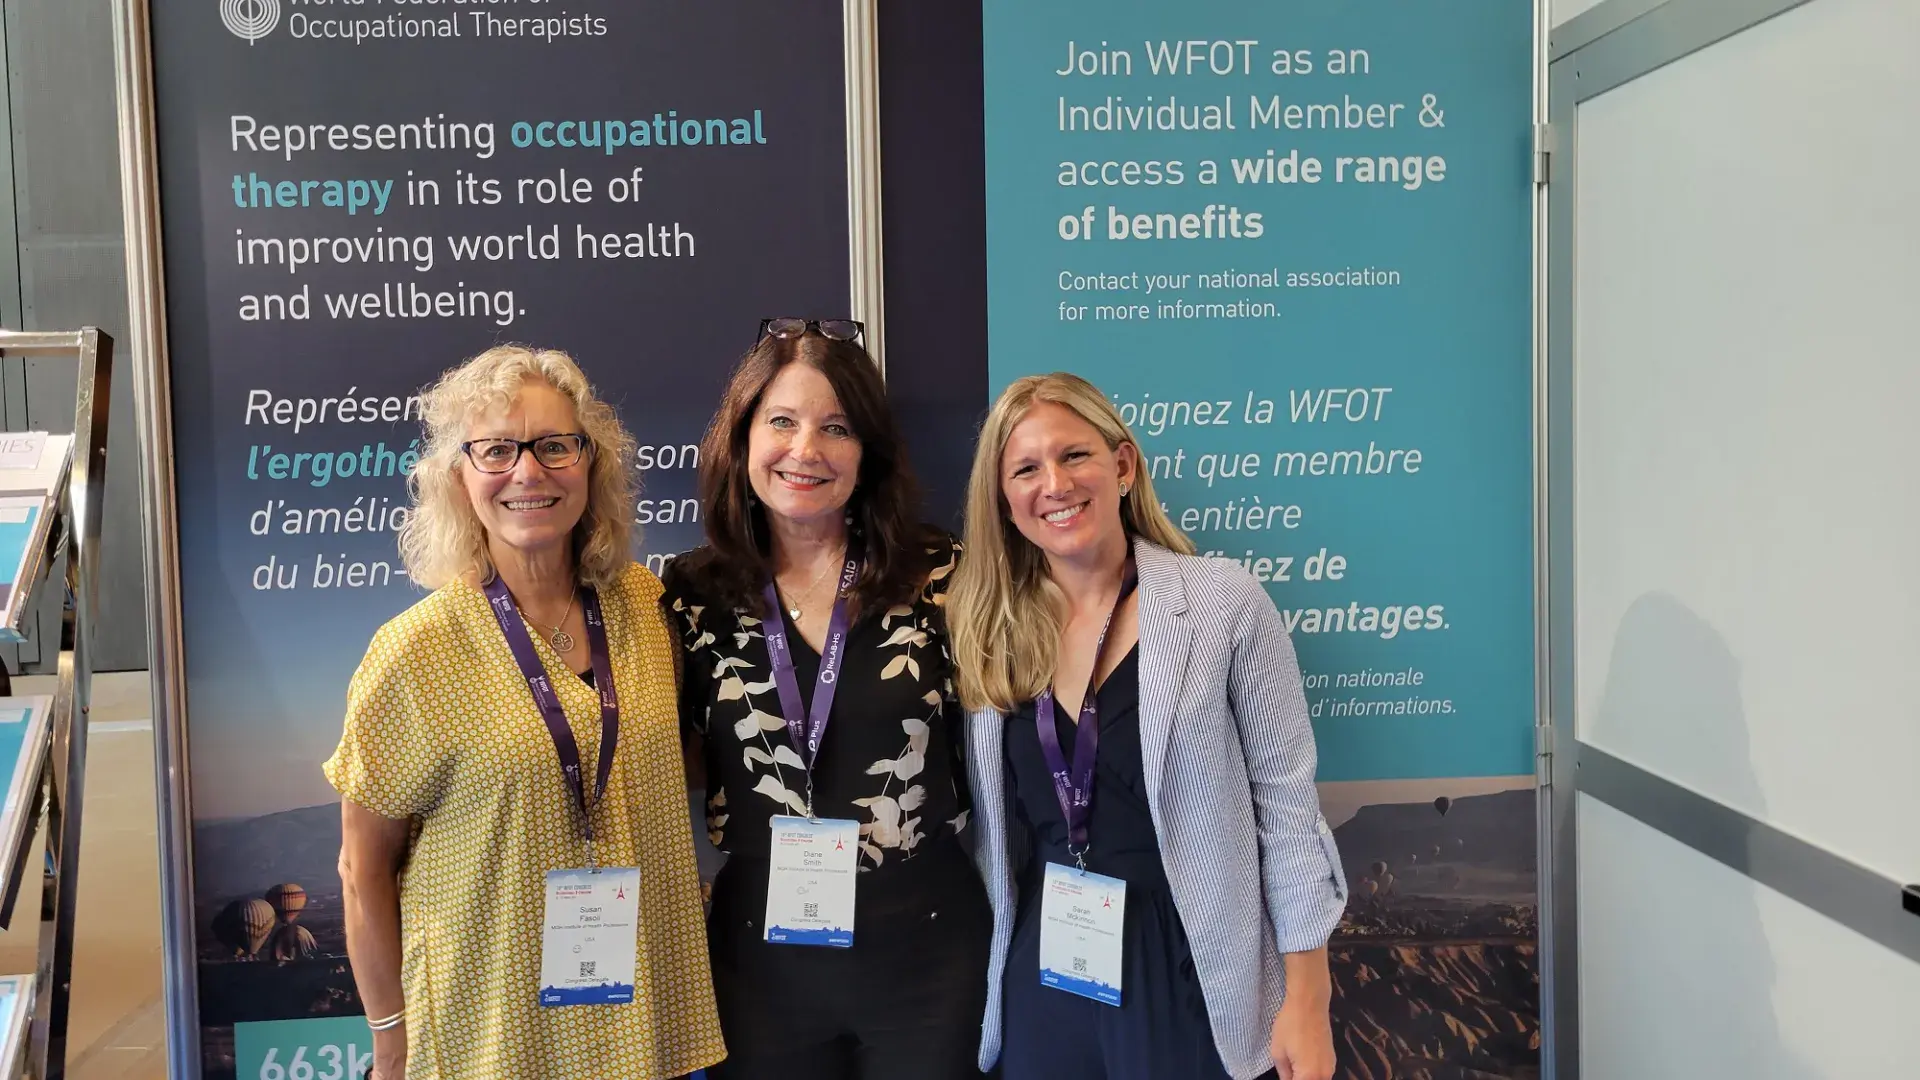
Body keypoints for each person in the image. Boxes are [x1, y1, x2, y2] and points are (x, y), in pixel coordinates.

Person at [324, 345, 724, 1080]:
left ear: (591, 464)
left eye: (553, 446)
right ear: (459, 477)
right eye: (497, 450)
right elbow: (361, 870)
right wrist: (389, 1039)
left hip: (639, 1021)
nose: (528, 472)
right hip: (489, 1032)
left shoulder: (645, 607)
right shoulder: (414, 653)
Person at [946, 372, 1350, 1080]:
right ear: (1005, 502)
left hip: (1188, 962)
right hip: (1047, 963)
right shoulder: (988, 631)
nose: (1055, 484)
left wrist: (1307, 998)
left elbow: (1286, 812)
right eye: (1026, 469)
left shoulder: (1223, 603)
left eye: (1075, 455)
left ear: (1123, 466)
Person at [660, 318, 988, 1080]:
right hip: (759, 962)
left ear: (867, 452)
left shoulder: (939, 574)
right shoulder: (687, 595)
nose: (805, 450)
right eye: (781, 421)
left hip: (927, 950)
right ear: (741, 440)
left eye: (835, 428)